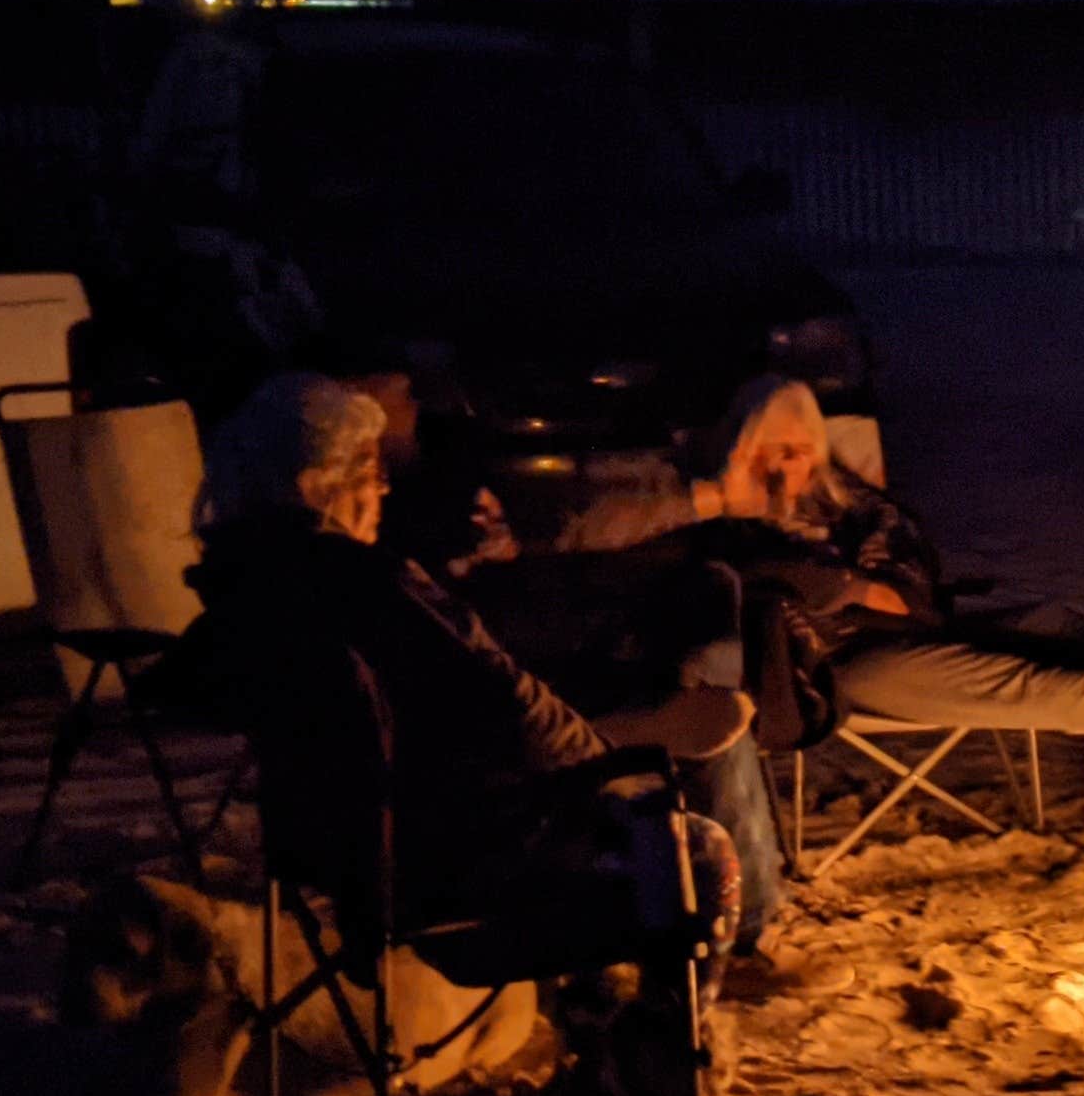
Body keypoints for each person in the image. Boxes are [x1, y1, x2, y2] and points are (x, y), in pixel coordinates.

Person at [188, 375, 750, 963]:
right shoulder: (374, 588)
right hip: (454, 865)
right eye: (366, 470)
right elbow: (507, 704)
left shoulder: (241, 590)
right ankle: (656, 1039)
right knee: (695, 853)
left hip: (326, 862)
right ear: (316, 485)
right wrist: (605, 767)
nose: (383, 485)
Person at [674, 377, 1084, 741]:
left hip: (913, 623)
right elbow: (741, 585)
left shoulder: (841, 498)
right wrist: (843, 587)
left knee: (1047, 626)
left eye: (800, 452)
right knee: (1010, 682)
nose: (788, 468)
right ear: (744, 451)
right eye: (773, 454)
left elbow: (901, 551)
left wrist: (870, 586)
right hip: (838, 665)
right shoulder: (722, 516)